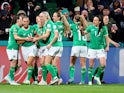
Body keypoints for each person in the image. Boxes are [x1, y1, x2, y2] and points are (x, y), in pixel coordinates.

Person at [91, 15, 120, 84]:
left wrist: (114, 30)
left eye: (108, 18)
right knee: (103, 64)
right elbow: (107, 38)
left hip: (103, 46)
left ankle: (97, 77)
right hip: (100, 47)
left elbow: (111, 34)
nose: (107, 20)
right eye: (105, 18)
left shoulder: (108, 26)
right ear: (102, 20)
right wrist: (113, 43)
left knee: (103, 64)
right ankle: (96, 76)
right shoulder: (102, 27)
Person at [33, 11, 59, 85]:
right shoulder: (45, 25)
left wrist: (36, 38)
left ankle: (55, 78)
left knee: (46, 63)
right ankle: (45, 80)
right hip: (47, 45)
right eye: (39, 17)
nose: (40, 19)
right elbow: (44, 38)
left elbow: (46, 36)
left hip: (49, 45)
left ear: (46, 17)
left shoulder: (48, 24)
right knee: (44, 63)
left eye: (41, 17)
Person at [5, 15, 32, 85]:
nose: (22, 21)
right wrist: (26, 38)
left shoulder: (19, 28)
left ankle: (9, 76)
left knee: (19, 64)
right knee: (13, 63)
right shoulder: (14, 27)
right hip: (12, 47)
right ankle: (11, 80)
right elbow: (16, 37)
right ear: (17, 20)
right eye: (21, 20)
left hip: (16, 47)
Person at [83, 16, 110, 85]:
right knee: (91, 65)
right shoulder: (90, 27)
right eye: (94, 20)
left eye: (96, 20)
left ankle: (97, 76)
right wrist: (81, 30)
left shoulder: (104, 28)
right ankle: (89, 81)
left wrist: (107, 46)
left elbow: (107, 38)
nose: (94, 22)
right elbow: (84, 33)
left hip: (100, 48)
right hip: (92, 48)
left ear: (99, 21)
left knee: (103, 64)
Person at [66, 14, 88, 84]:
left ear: (74, 20)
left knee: (72, 63)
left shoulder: (73, 25)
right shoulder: (85, 25)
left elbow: (68, 32)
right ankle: (82, 81)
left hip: (76, 46)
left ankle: (71, 78)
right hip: (84, 46)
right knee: (83, 64)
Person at [51, 12, 70, 85]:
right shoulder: (63, 25)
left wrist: (50, 44)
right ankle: (58, 78)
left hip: (55, 45)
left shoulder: (54, 25)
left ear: (58, 17)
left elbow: (54, 35)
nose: (53, 17)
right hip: (60, 45)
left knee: (52, 64)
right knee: (54, 64)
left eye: (54, 16)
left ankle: (57, 78)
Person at [17, 16, 37, 84]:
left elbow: (37, 35)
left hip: (32, 47)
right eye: (24, 21)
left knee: (29, 62)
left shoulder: (32, 28)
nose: (26, 23)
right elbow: (18, 42)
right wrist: (25, 39)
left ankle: (28, 80)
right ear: (22, 22)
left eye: (27, 21)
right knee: (29, 65)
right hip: (24, 48)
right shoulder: (20, 31)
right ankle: (35, 80)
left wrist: (34, 39)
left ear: (29, 22)